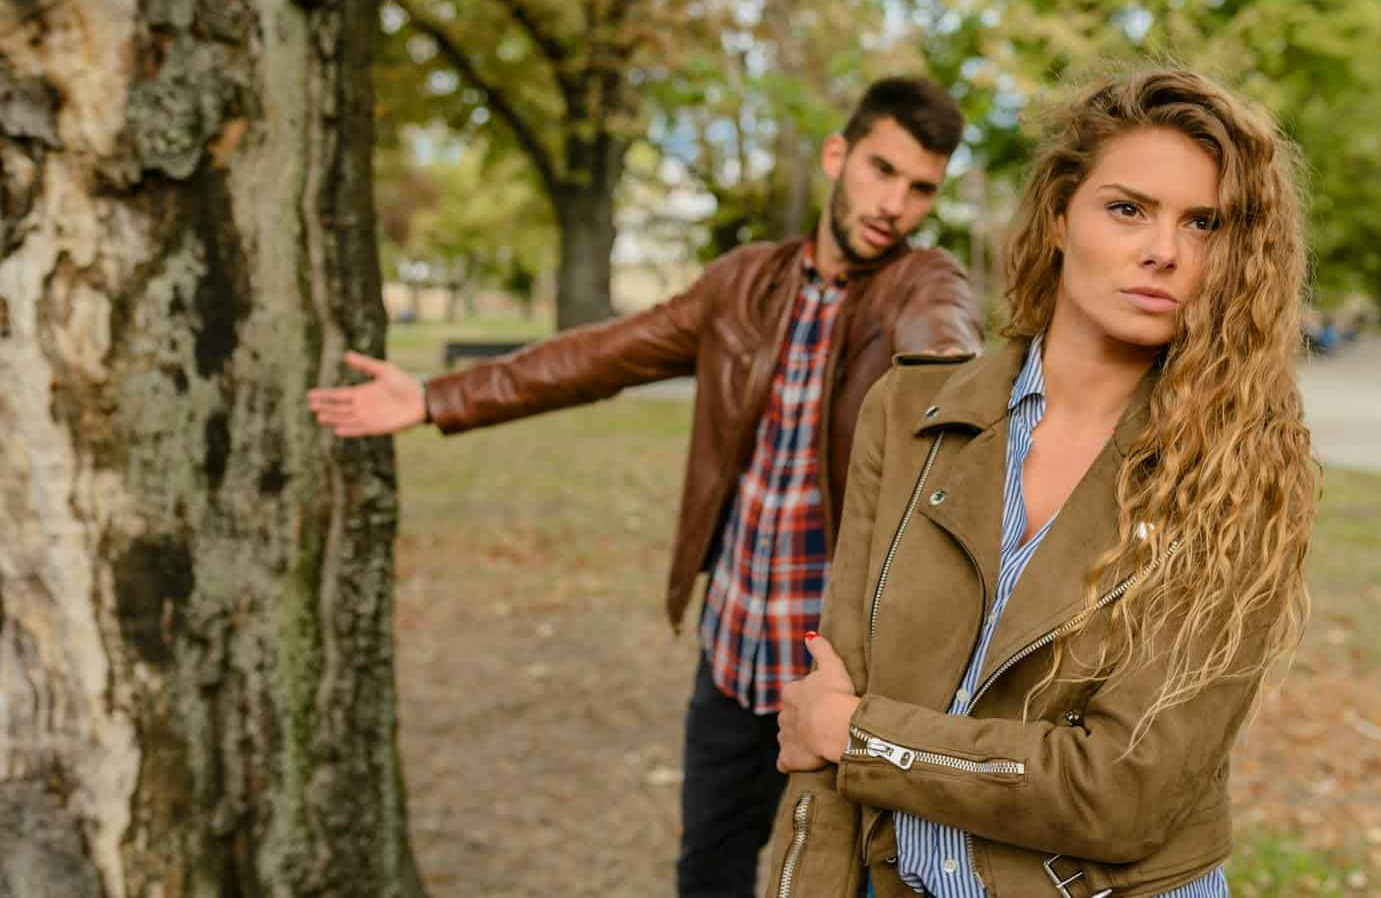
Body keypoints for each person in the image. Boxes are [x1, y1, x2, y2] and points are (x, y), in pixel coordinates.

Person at [305, 77, 984, 898]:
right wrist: (433, 398)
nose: (895, 205)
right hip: (734, 652)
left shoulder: (922, 284)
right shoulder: (740, 283)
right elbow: (600, 356)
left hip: (845, 675)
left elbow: (943, 356)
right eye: (882, 171)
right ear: (838, 156)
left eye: (920, 190)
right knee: (709, 870)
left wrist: (953, 389)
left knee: (857, 882)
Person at [766, 68, 1318, 898]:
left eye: (1203, 223)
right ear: (1060, 217)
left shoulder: (1246, 473)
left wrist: (864, 738)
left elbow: (1117, 792)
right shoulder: (907, 413)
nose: (1163, 251)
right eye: (1127, 208)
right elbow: (822, 724)